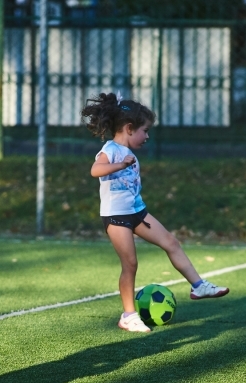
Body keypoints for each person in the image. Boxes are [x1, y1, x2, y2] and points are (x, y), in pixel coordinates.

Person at [81, 92, 229, 333]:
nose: (147, 136)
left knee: (171, 242)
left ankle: (198, 286)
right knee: (130, 263)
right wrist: (119, 165)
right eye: (145, 130)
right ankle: (128, 315)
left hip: (137, 212)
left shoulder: (130, 154)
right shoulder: (111, 150)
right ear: (129, 128)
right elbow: (95, 170)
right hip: (116, 217)